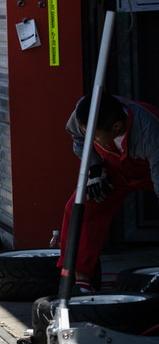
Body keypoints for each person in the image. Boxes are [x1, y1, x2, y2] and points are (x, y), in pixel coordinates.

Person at [58, 94, 159, 293]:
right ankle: (81, 280)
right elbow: (78, 139)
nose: (89, 138)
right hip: (112, 171)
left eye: (94, 137)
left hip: (149, 170)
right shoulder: (84, 114)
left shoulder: (150, 130)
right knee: (79, 208)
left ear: (117, 127)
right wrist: (94, 169)